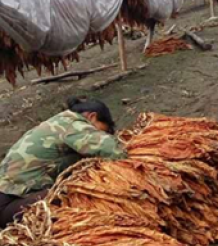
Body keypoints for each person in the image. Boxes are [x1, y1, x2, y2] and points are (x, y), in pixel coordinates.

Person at [0, 97, 126, 227]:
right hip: (10, 205)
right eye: (103, 131)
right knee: (84, 197)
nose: (100, 134)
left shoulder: (58, 122)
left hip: (11, 199)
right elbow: (112, 150)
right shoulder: (73, 124)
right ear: (92, 117)